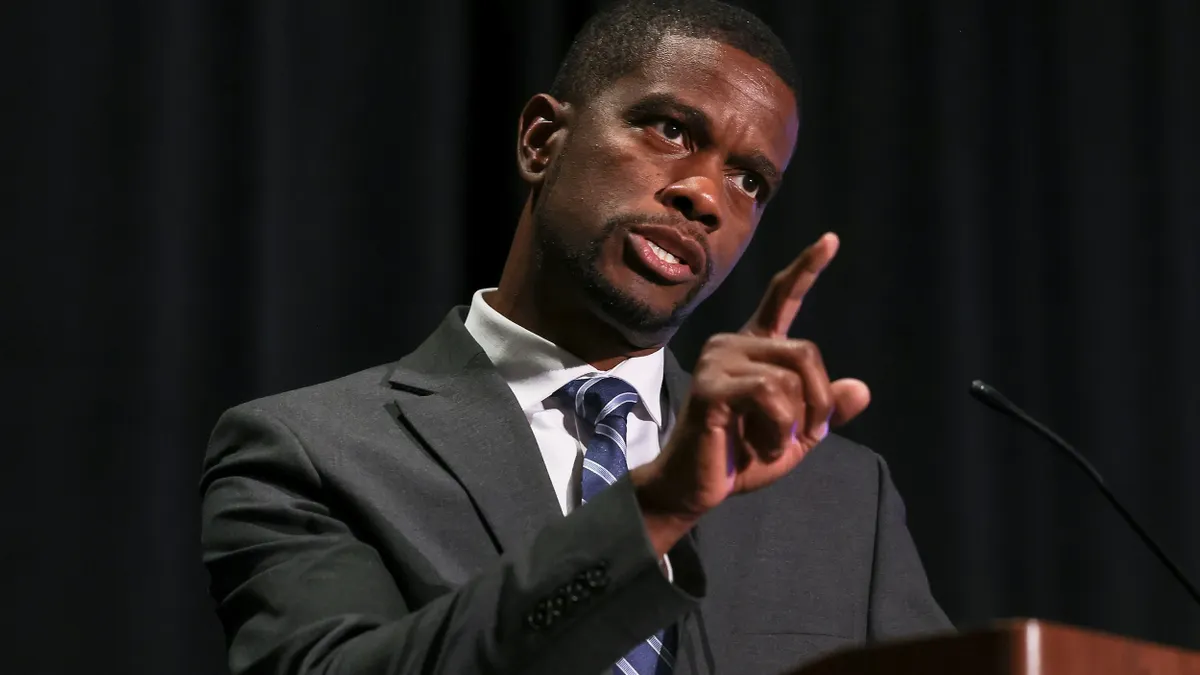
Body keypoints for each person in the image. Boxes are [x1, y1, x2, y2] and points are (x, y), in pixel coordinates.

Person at [199, 1, 952, 673]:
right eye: (671, 130)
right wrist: (654, 510)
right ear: (541, 140)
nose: (705, 196)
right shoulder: (311, 453)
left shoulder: (842, 496)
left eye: (749, 180)